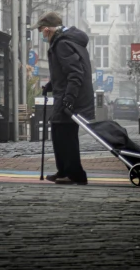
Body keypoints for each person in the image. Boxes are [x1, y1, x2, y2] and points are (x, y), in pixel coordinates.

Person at [33, 11, 94, 185]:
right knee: (60, 130)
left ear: (47, 30)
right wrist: (51, 85)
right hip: (69, 95)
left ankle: (75, 174)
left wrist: (69, 98)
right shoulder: (66, 41)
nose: (41, 34)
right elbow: (64, 71)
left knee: (66, 134)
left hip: (72, 98)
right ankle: (64, 171)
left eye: (41, 30)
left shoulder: (62, 44)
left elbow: (75, 73)